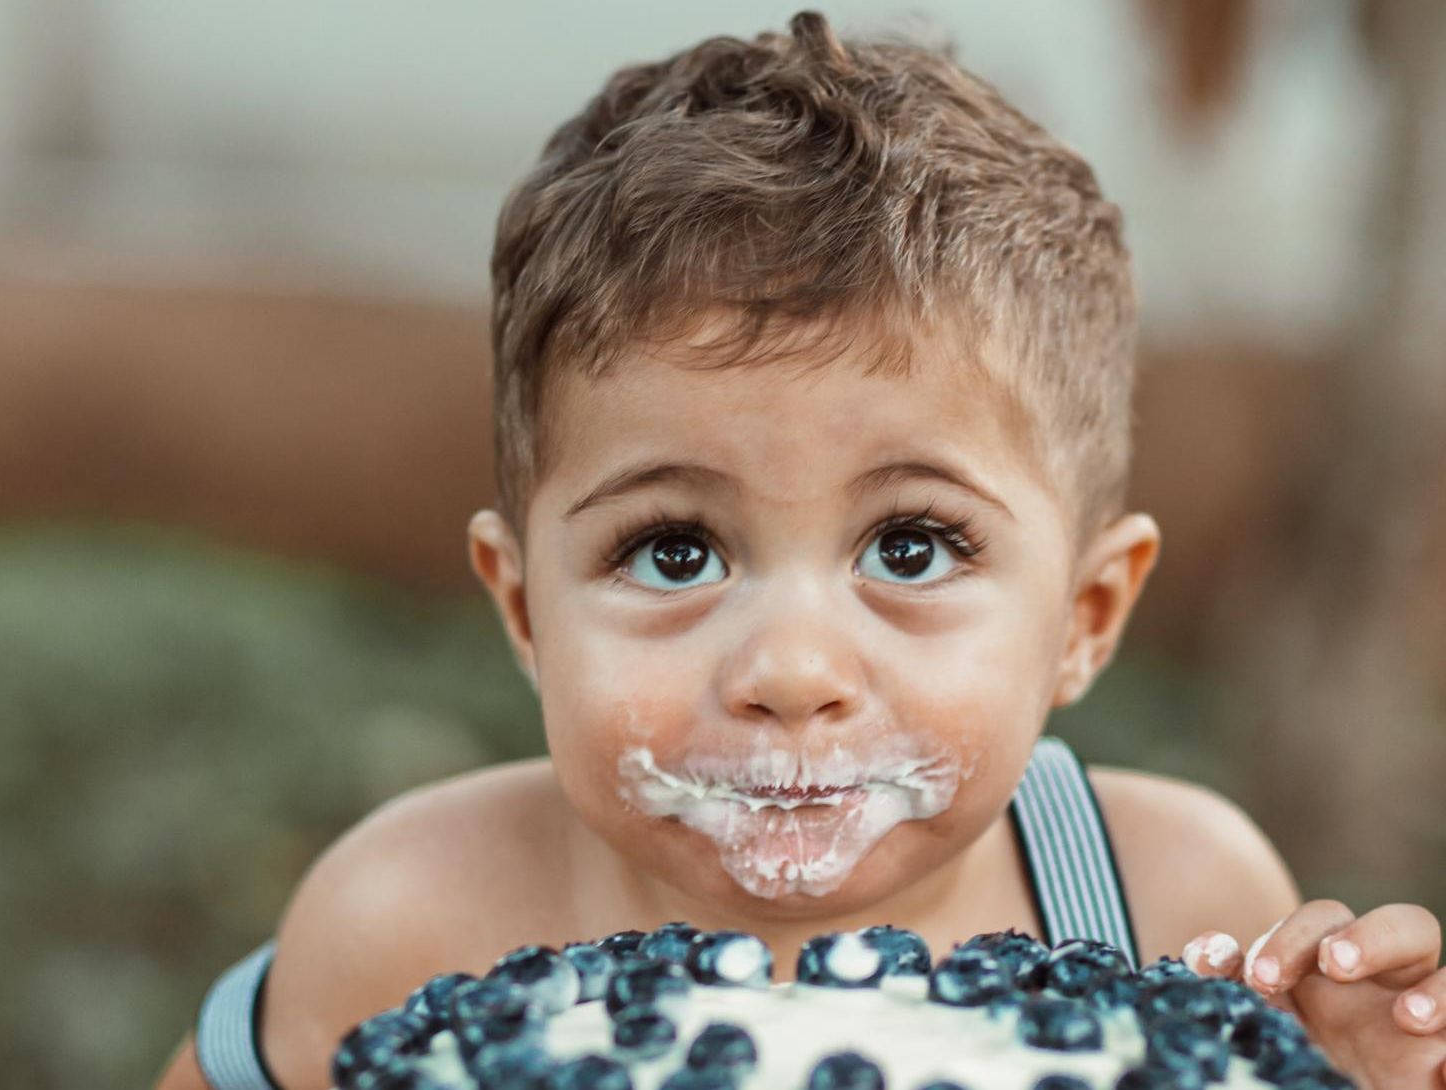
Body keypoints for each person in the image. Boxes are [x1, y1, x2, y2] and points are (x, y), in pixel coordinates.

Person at [155, 12, 1444, 1089]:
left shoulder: (1169, 906)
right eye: (672, 552)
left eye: (914, 546)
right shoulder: (407, 920)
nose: (789, 666)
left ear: (1087, 615)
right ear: (526, 609)